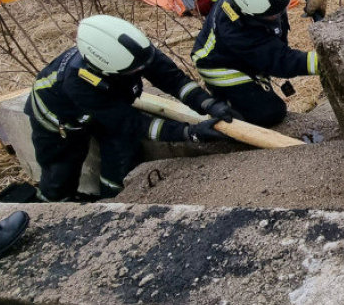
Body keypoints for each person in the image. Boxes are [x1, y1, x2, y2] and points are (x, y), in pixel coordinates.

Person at [26, 15, 234, 202]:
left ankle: (111, 201)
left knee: (123, 155)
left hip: (107, 109)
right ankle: (51, 208)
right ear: (104, 69)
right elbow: (133, 123)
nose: (141, 71)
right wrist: (190, 133)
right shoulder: (78, 82)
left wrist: (208, 103)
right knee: (60, 173)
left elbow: (172, 78)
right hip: (60, 122)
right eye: (134, 71)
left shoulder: (137, 52)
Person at [191, 0, 327, 127]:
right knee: (270, 113)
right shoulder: (234, 29)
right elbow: (281, 61)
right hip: (220, 67)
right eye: (271, 15)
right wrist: (327, 62)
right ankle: (227, 108)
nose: (278, 16)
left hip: (249, 55)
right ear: (247, 11)